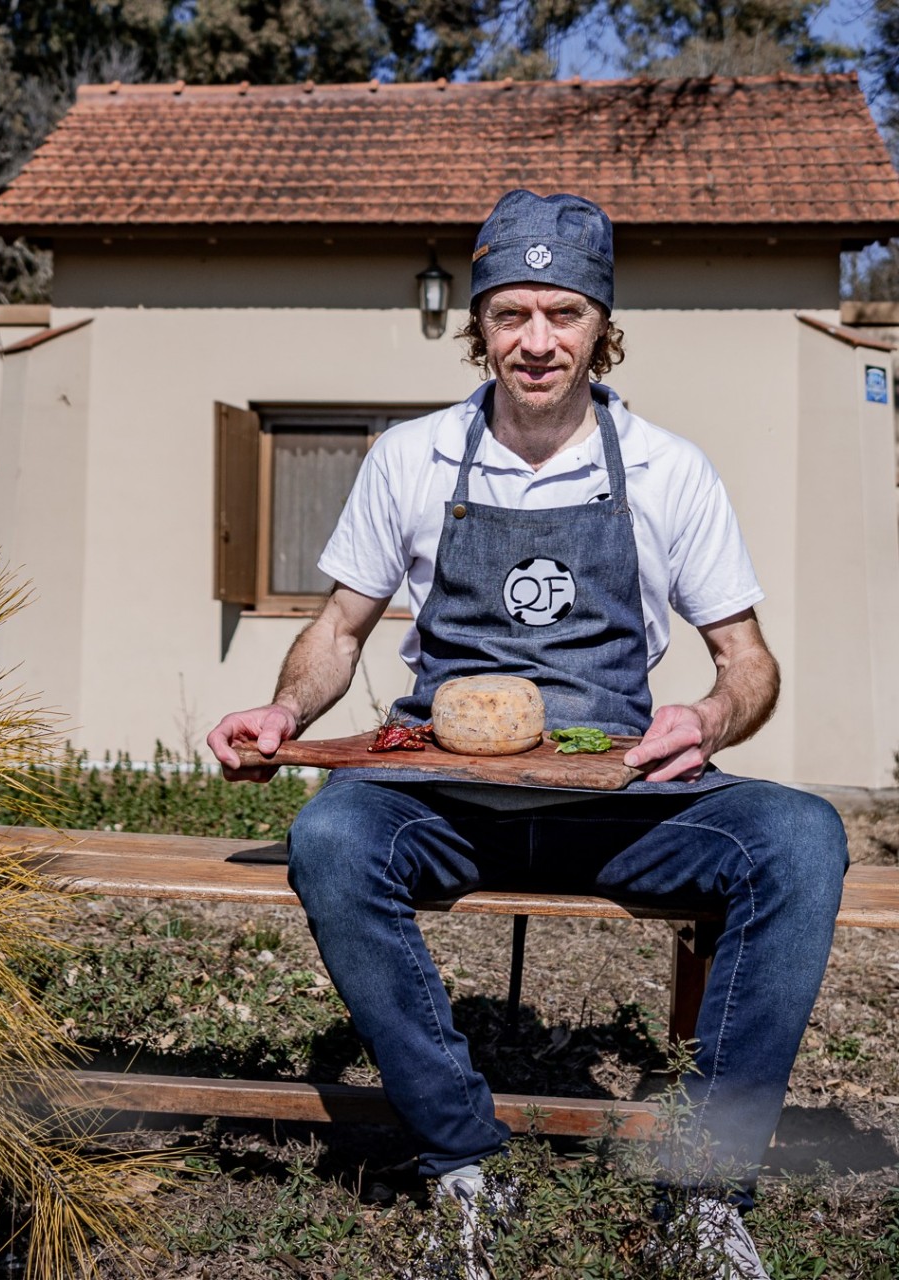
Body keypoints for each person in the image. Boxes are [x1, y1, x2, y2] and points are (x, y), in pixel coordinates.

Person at [208, 190, 848, 1279]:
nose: (537, 340)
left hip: (624, 807)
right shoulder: (412, 458)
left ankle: (703, 1190)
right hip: (444, 802)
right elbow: (338, 629)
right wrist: (286, 707)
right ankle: (462, 1156)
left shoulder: (665, 469)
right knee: (329, 836)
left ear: (602, 322)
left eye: (562, 311)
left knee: (799, 836)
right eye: (511, 313)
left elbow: (749, 663)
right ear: (480, 323)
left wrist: (703, 715)